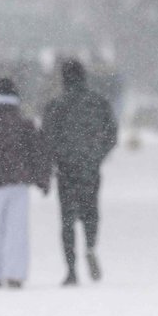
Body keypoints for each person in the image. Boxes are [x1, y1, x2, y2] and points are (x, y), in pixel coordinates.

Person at [0, 78, 51, 289]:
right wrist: (43, 179)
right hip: (19, 183)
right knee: (17, 229)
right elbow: (38, 153)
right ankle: (15, 273)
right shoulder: (25, 124)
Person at [43, 58, 118, 286]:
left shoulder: (55, 105)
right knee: (91, 212)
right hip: (90, 168)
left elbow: (46, 138)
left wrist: (56, 159)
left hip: (66, 170)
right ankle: (91, 245)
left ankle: (71, 269)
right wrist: (97, 156)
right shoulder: (99, 103)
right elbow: (111, 134)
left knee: (66, 220)